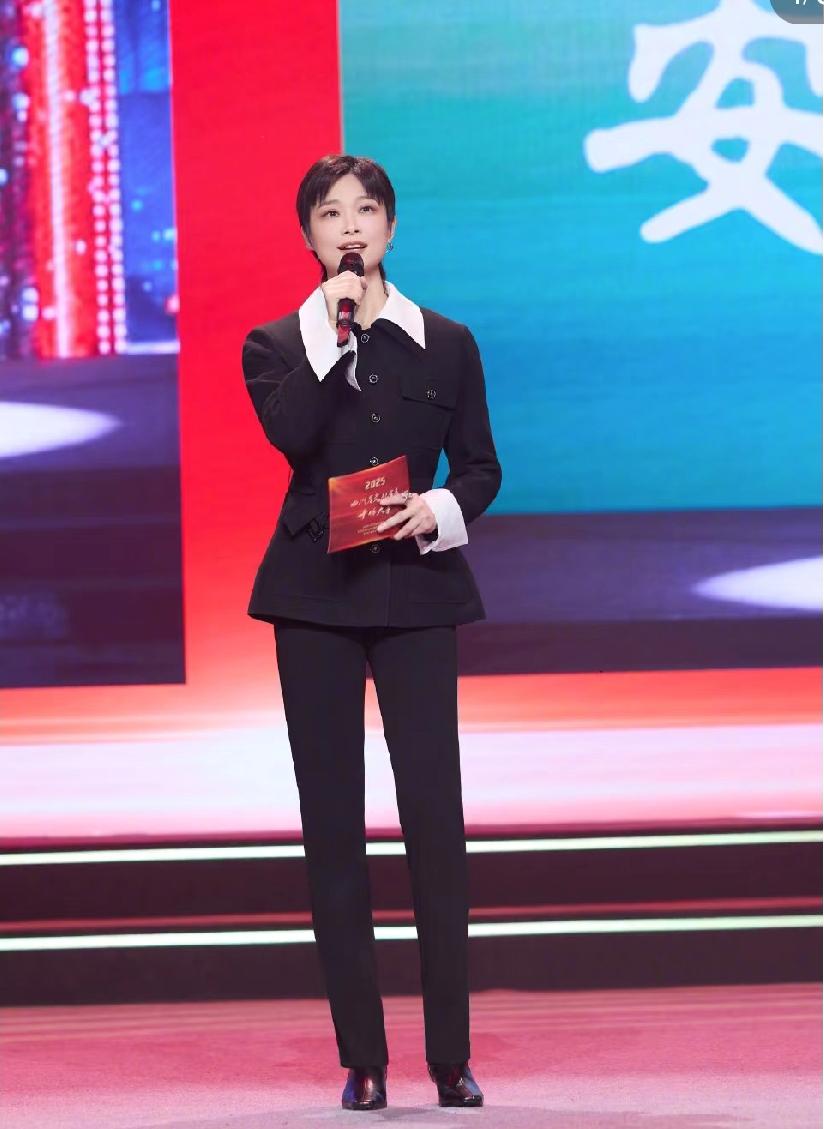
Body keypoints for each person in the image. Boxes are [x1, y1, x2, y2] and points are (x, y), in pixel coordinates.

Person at [241, 153, 501, 1112]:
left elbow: (481, 466)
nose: (349, 226)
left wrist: (439, 510)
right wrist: (334, 330)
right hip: (314, 598)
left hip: (417, 592)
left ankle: (451, 1057)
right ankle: (364, 1057)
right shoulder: (276, 344)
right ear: (309, 236)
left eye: (365, 210)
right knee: (332, 826)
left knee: (435, 819)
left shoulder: (448, 342)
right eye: (329, 213)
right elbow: (294, 436)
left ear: (391, 227)